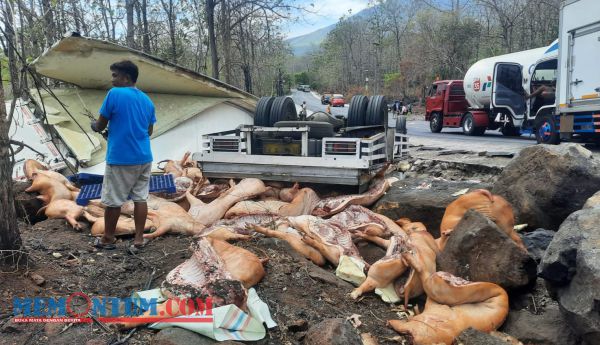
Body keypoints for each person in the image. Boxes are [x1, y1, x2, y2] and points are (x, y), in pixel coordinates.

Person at [90, 60, 156, 253]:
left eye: (115, 76)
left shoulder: (114, 94)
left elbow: (100, 125)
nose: (112, 80)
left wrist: (94, 125)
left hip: (121, 158)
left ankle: (108, 239)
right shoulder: (147, 100)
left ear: (126, 77)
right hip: (144, 156)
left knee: (113, 201)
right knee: (140, 198)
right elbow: (148, 131)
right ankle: (138, 240)